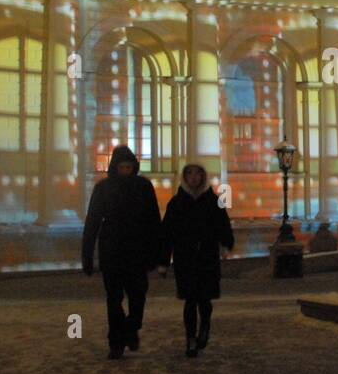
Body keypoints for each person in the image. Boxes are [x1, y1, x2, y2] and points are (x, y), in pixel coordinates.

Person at [82, 145, 164, 360]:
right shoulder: (103, 189)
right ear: (115, 167)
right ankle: (116, 343)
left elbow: (154, 222)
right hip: (112, 252)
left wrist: (158, 253)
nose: (126, 170)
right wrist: (87, 256)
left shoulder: (144, 187)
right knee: (114, 300)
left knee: (138, 297)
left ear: (134, 167)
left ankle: (131, 328)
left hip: (138, 252)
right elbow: (92, 223)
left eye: (129, 166)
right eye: (122, 167)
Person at [160, 163, 234, 357]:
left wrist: (226, 244)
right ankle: (190, 339)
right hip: (185, 259)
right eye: (190, 174)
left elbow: (223, 225)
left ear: (203, 176)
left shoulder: (213, 201)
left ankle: (205, 326)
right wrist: (163, 261)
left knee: (205, 301)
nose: (194, 178)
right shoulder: (176, 203)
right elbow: (167, 234)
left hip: (207, 258)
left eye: (198, 174)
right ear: (185, 177)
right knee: (190, 301)